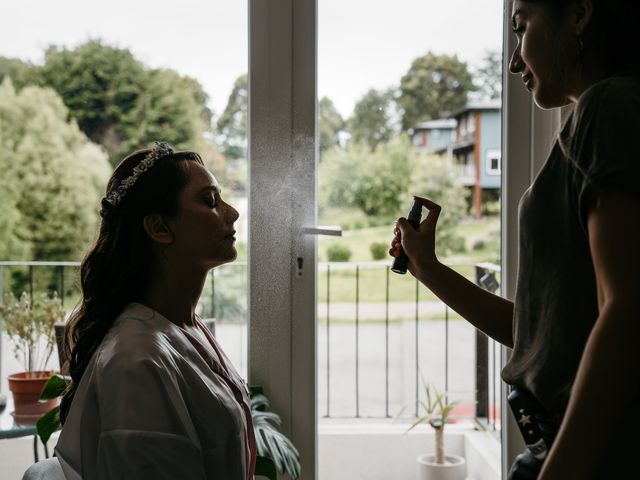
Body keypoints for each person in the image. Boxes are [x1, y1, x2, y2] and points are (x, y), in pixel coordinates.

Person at [392, 0, 640, 478]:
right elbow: (536, 334)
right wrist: (428, 268)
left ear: (580, 13)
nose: (512, 62)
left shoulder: (608, 109)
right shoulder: (593, 121)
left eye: (520, 28)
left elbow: (628, 310)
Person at [55, 142, 255, 480]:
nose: (232, 212)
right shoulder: (136, 362)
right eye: (210, 201)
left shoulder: (184, 326)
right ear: (160, 228)